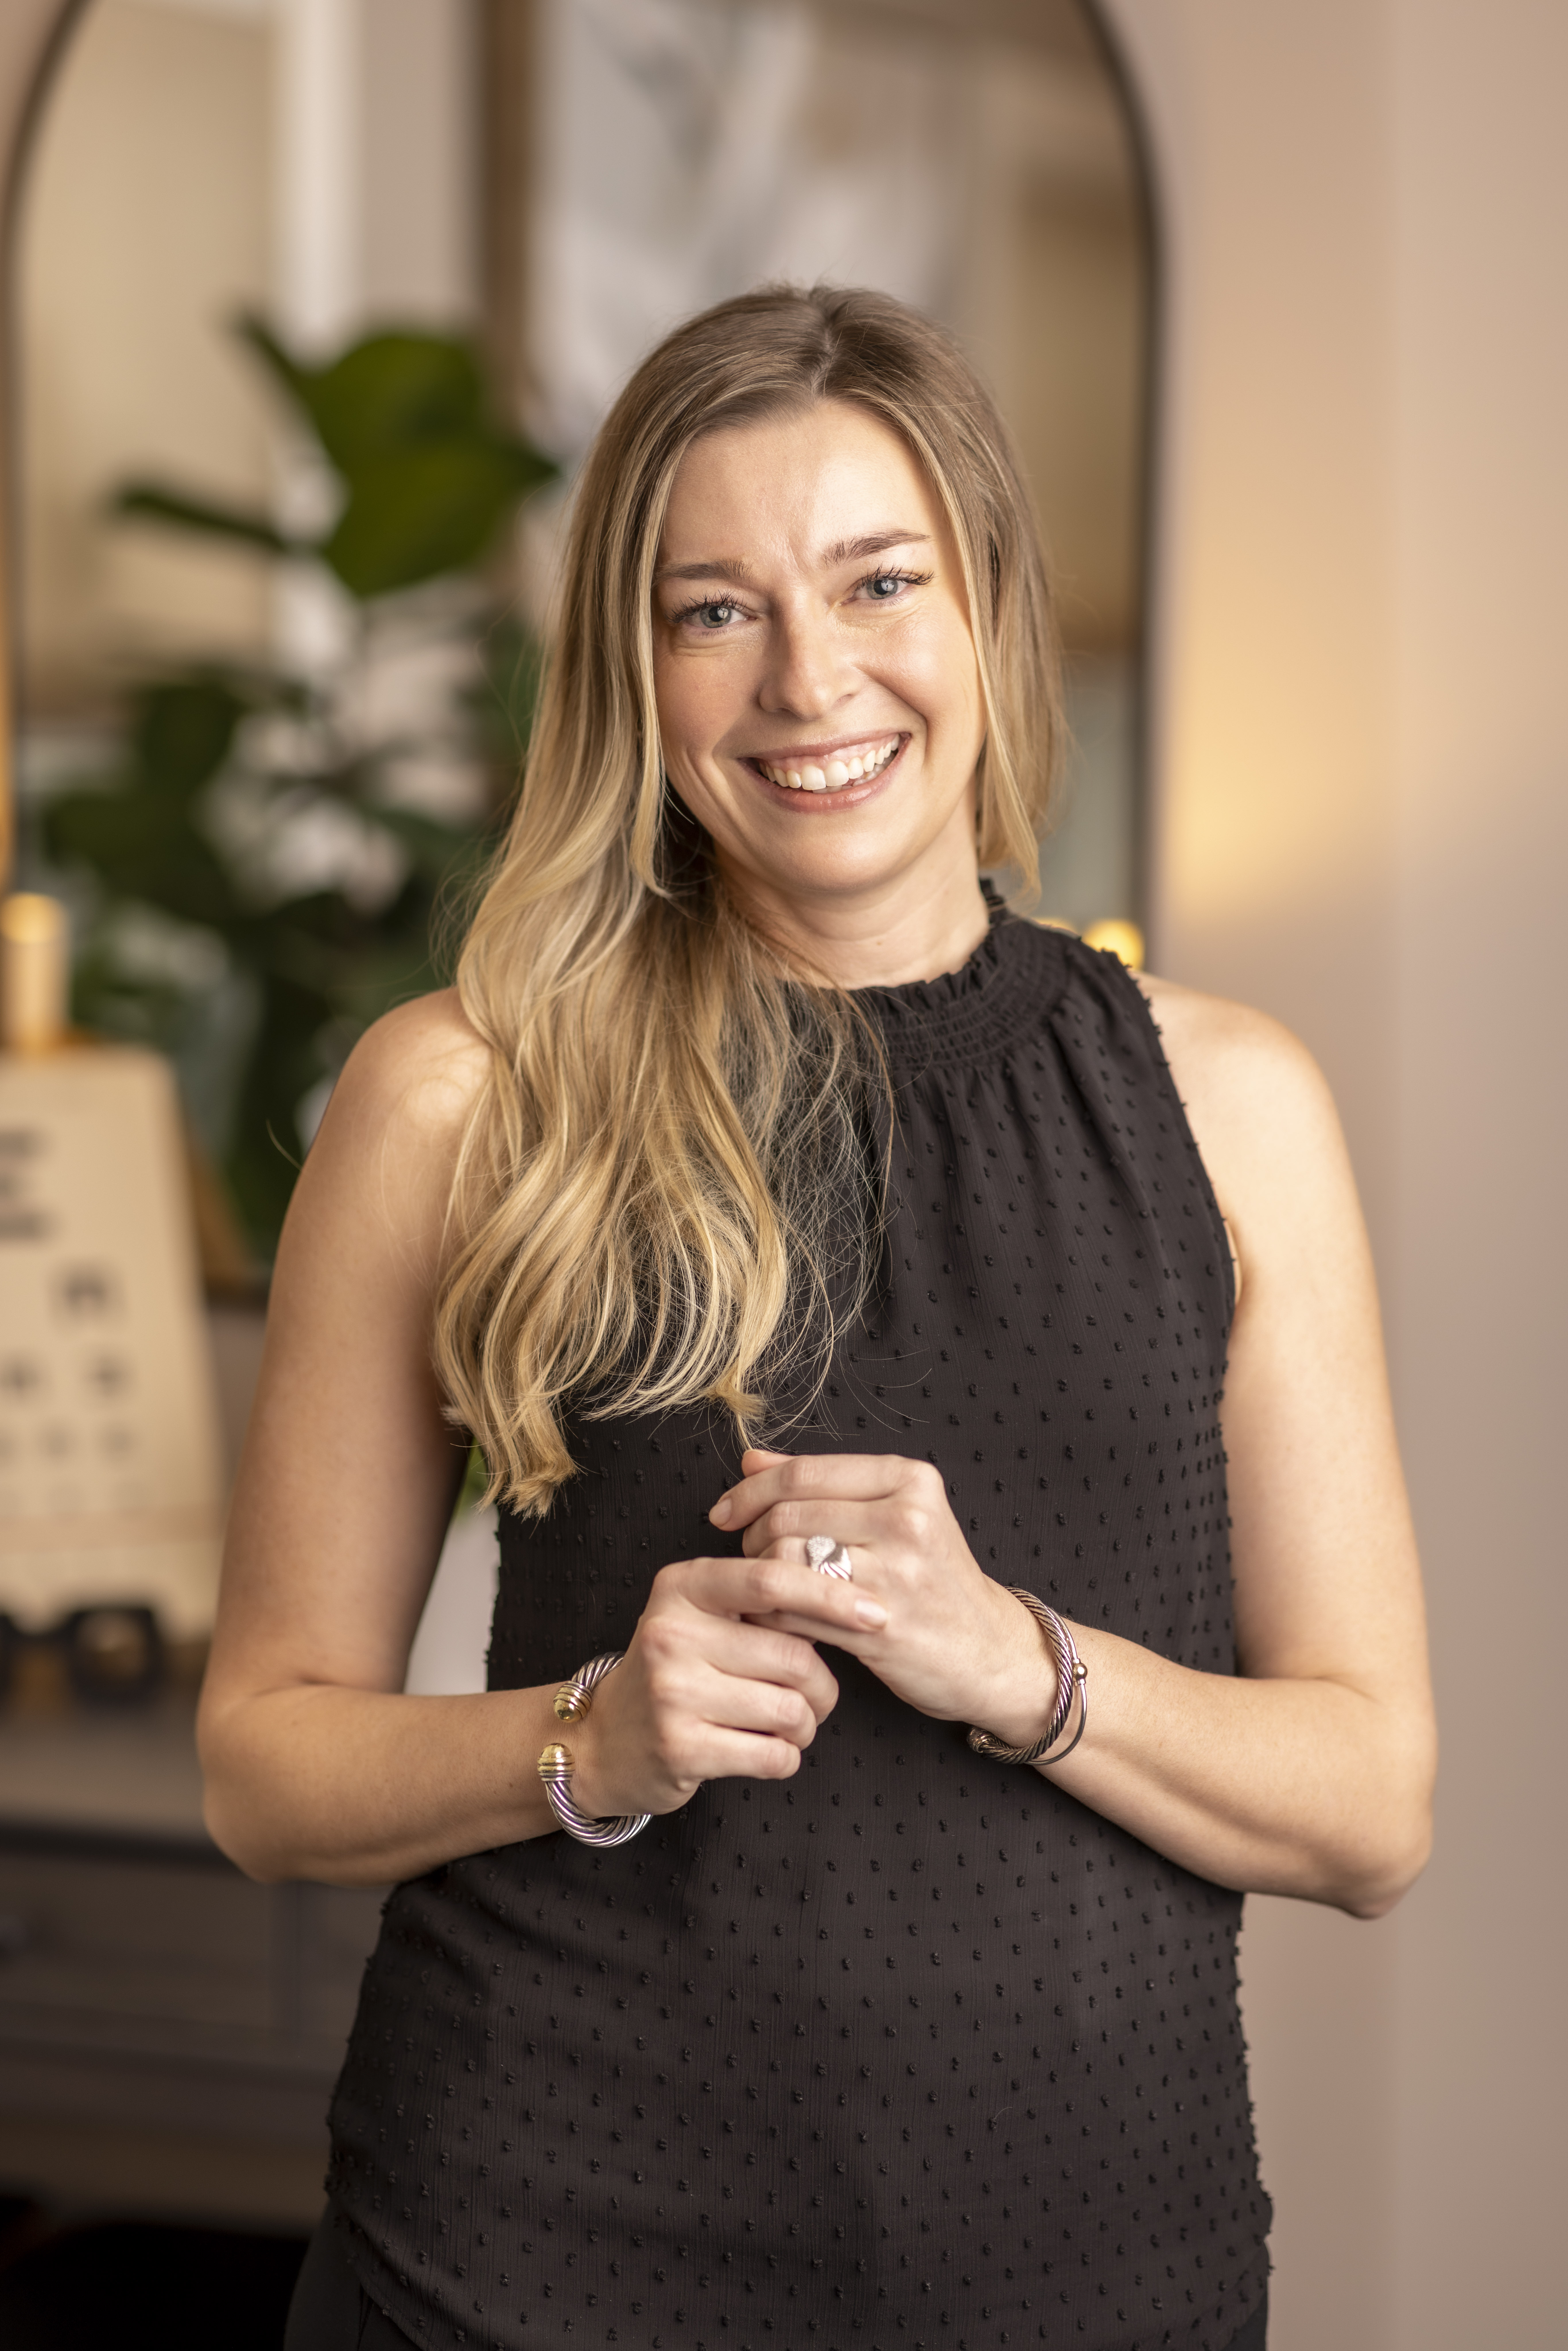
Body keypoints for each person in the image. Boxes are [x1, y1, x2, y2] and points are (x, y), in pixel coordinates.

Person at [200, 284, 1436, 2351]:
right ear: (638, 668)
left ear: (985, 611)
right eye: (714, 611)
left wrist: (1009, 1659)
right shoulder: (464, 1094)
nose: (808, 679)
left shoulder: (1227, 1109)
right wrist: (590, 1739)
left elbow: (1372, 1807)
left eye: (878, 582)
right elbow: (261, 1764)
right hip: (524, 2258)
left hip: (1085, 2275)